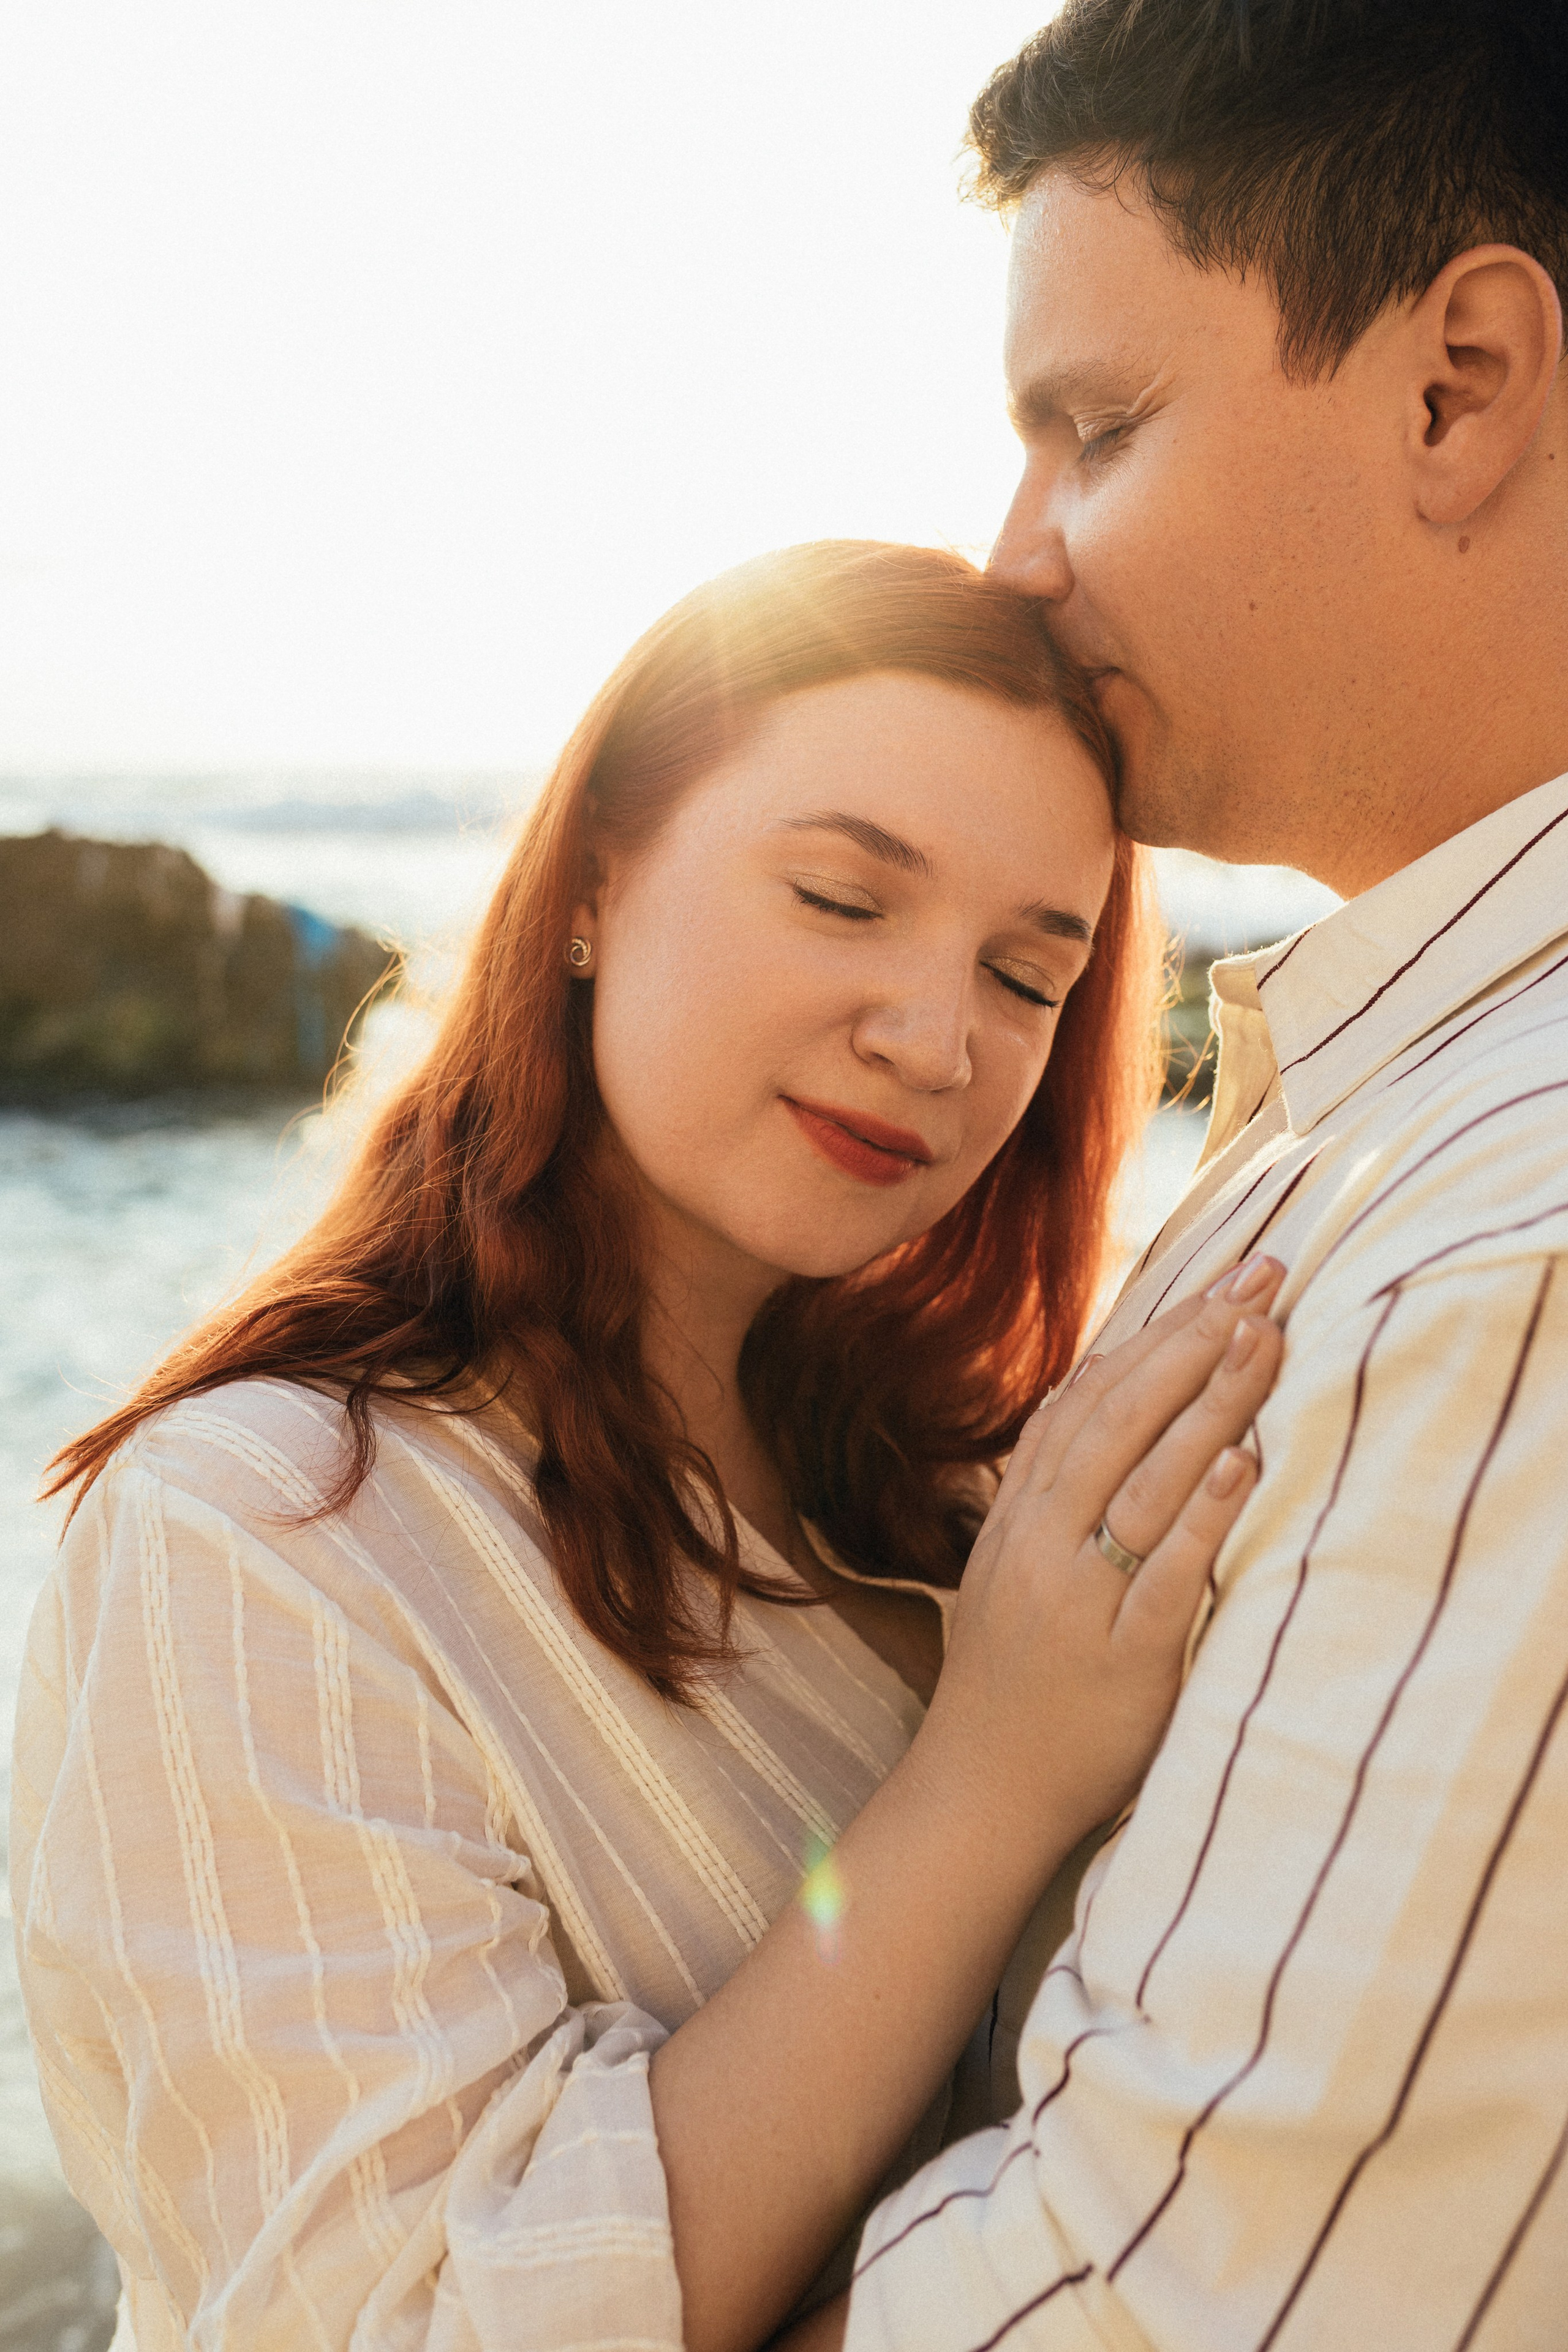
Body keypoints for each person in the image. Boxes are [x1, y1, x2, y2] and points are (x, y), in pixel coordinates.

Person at [9, 540, 1284, 2352]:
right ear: (597, 878)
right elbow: (418, 2328)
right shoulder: (261, 1534)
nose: (936, 1040)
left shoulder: (955, 1506)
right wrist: (995, 1777)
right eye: (845, 898)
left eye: (1028, 974)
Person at [812, 8, 1568, 2352]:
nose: (1018, 552)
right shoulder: (1375, 1114)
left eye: (1094, 428)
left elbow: (1151, 2306)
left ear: (1457, 384)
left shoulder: (1508, 1253)